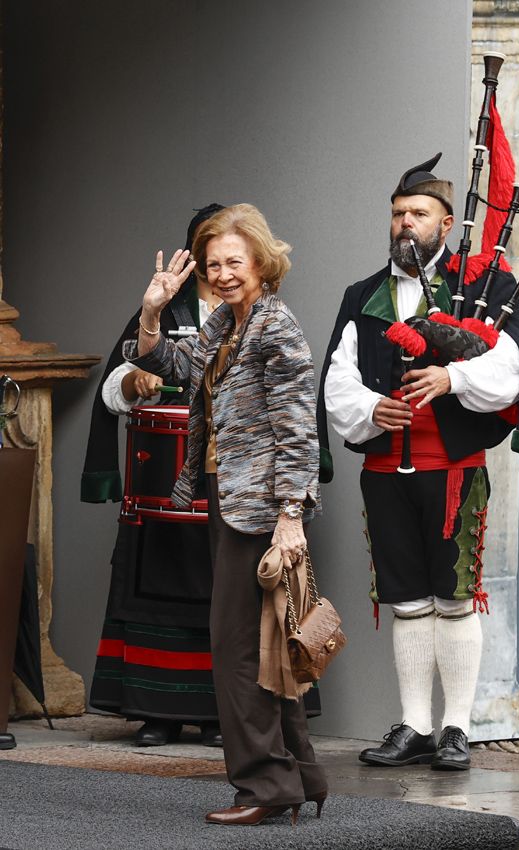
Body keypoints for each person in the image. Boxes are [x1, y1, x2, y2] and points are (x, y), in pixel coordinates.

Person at [318, 156, 519, 770]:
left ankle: (456, 728)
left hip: (453, 468)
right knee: (405, 598)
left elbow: (516, 365)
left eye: (418, 214)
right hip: (383, 471)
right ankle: (414, 725)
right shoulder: (362, 296)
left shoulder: (485, 287)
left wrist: (451, 375)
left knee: (454, 597)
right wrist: (374, 408)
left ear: (446, 224)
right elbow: (337, 381)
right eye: (398, 214)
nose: (405, 224)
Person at [123, 203, 327, 826]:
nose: (223, 272)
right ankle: (300, 775)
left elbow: (298, 431)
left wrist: (290, 517)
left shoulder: (275, 327)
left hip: (263, 511)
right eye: (213, 264)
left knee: (235, 646)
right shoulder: (228, 325)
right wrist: (153, 313)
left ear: (263, 262)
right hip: (232, 503)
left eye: (235, 261)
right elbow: (177, 370)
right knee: (268, 646)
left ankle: (267, 786)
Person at [83, 204, 226, 747]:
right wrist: (134, 383)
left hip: (226, 486)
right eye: (206, 251)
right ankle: (157, 711)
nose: (217, 265)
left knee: (227, 595)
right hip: (159, 495)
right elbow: (112, 385)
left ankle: (219, 713)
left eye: (226, 252)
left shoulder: (258, 311)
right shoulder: (161, 307)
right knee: (156, 598)